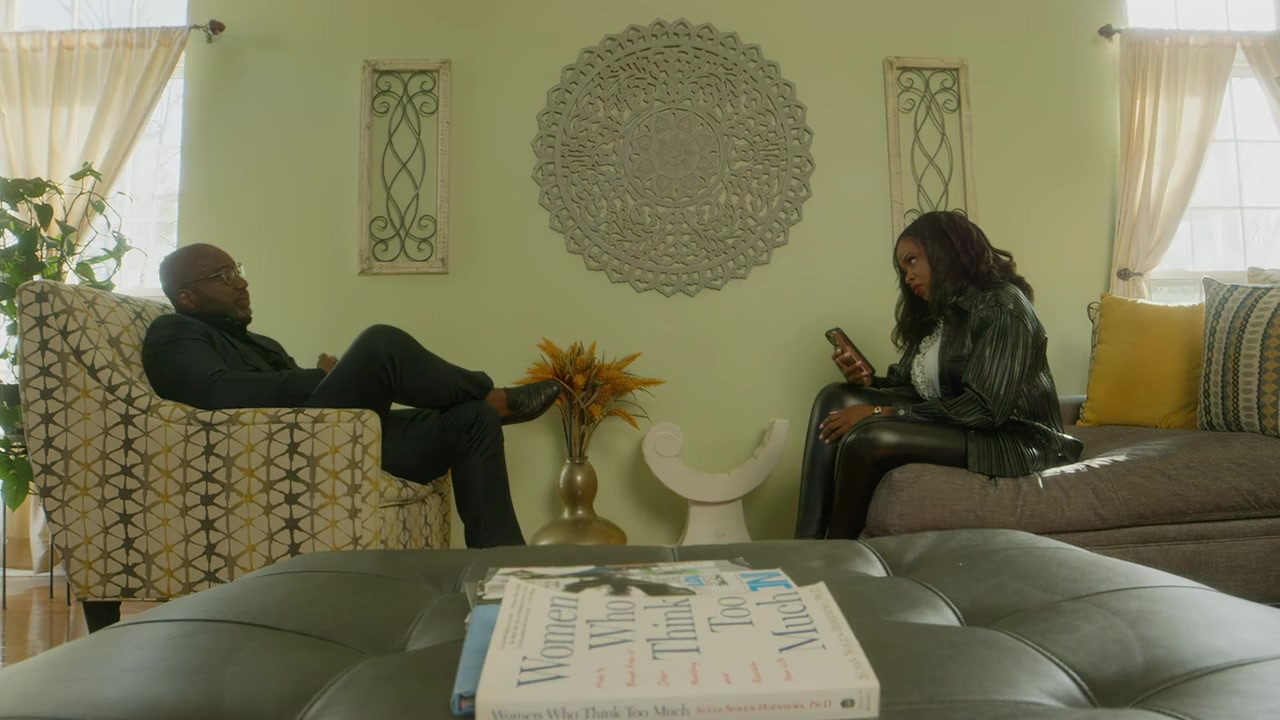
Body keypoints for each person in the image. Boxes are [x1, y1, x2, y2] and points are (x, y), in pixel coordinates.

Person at [142, 243, 563, 548]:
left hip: (334, 442)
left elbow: (294, 393)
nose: (242, 282)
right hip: (288, 456)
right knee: (380, 343)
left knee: (471, 420)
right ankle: (492, 395)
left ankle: (503, 570)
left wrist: (326, 377)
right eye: (225, 276)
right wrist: (319, 377)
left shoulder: (262, 343)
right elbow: (215, 391)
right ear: (187, 297)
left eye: (238, 270)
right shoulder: (173, 332)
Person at [794, 211, 1083, 540]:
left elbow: (986, 409)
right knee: (836, 396)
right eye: (903, 268)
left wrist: (879, 411)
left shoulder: (1003, 306)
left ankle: (834, 550)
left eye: (912, 260)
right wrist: (870, 384)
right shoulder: (943, 314)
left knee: (870, 438)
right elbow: (917, 387)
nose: (908, 276)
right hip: (966, 427)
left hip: (1013, 439)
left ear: (946, 250)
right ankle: (805, 541)